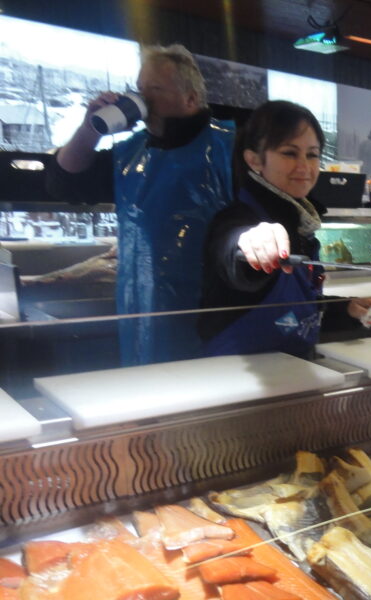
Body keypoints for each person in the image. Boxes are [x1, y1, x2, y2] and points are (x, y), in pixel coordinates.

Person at [48, 44, 234, 365]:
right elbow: (67, 179)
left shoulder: (229, 145)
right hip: (140, 308)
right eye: (139, 89)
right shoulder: (130, 152)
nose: (143, 99)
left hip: (212, 312)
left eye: (155, 89)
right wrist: (90, 128)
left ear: (190, 98)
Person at [200, 100, 371, 357]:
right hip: (237, 381)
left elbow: (296, 312)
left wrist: (345, 310)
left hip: (293, 374)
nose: (304, 167)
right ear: (254, 160)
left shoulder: (302, 223)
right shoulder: (236, 219)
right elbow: (233, 254)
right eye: (289, 153)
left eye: (312, 154)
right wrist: (251, 244)